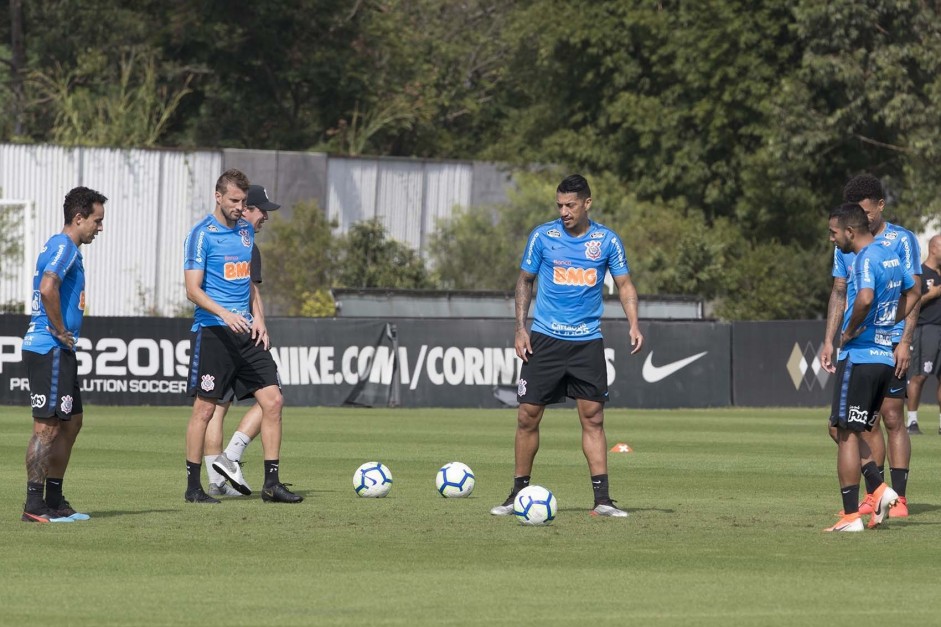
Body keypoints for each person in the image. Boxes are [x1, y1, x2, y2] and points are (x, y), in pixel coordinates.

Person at [489, 174, 644, 518]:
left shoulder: (607, 240)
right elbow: (524, 281)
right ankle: (518, 493)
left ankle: (602, 500)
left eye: (570, 204)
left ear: (587, 203)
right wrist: (519, 328)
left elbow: (625, 284)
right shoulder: (543, 236)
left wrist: (634, 323)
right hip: (544, 338)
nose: (564, 211)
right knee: (527, 415)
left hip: (587, 342)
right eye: (559, 205)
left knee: (593, 418)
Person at [182, 169, 301, 504]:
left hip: (247, 332)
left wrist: (259, 319)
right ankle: (194, 487)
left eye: (243, 201)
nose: (239, 207)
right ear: (218, 197)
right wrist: (224, 313)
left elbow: (247, 282)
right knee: (205, 410)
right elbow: (192, 290)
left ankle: (272, 484)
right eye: (234, 200)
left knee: (274, 400)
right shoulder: (200, 235)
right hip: (215, 332)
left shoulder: (247, 232)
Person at [819, 174, 921, 519]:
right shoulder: (846, 245)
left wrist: (903, 338)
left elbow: (914, 292)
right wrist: (830, 339)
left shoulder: (900, 240)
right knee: (863, 423)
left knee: (890, 418)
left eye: (867, 211)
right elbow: (839, 291)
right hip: (863, 343)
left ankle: (895, 497)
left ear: (880, 205)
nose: (864, 217)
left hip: (881, 345)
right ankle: (875, 495)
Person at [21, 186, 106, 523]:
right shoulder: (64, 246)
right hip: (50, 347)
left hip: (59, 350)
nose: (100, 228)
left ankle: (54, 499)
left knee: (71, 422)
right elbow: (47, 287)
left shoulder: (68, 249)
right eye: (97, 221)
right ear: (78, 218)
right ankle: (33, 505)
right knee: (47, 428)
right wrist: (58, 329)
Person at [203, 184, 280, 497]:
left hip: (215, 330)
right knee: (272, 397)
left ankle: (217, 480)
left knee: (218, 407)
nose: (265, 218)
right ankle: (230, 457)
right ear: (247, 209)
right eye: (263, 211)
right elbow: (252, 290)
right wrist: (259, 321)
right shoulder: (245, 243)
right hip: (237, 334)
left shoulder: (220, 236)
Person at [906, 235, 941, 435]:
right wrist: (932, 294)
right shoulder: (920, 272)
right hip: (926, 329)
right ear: (934, 248)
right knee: (919, 375)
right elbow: (912, 302)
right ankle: (911, 421)